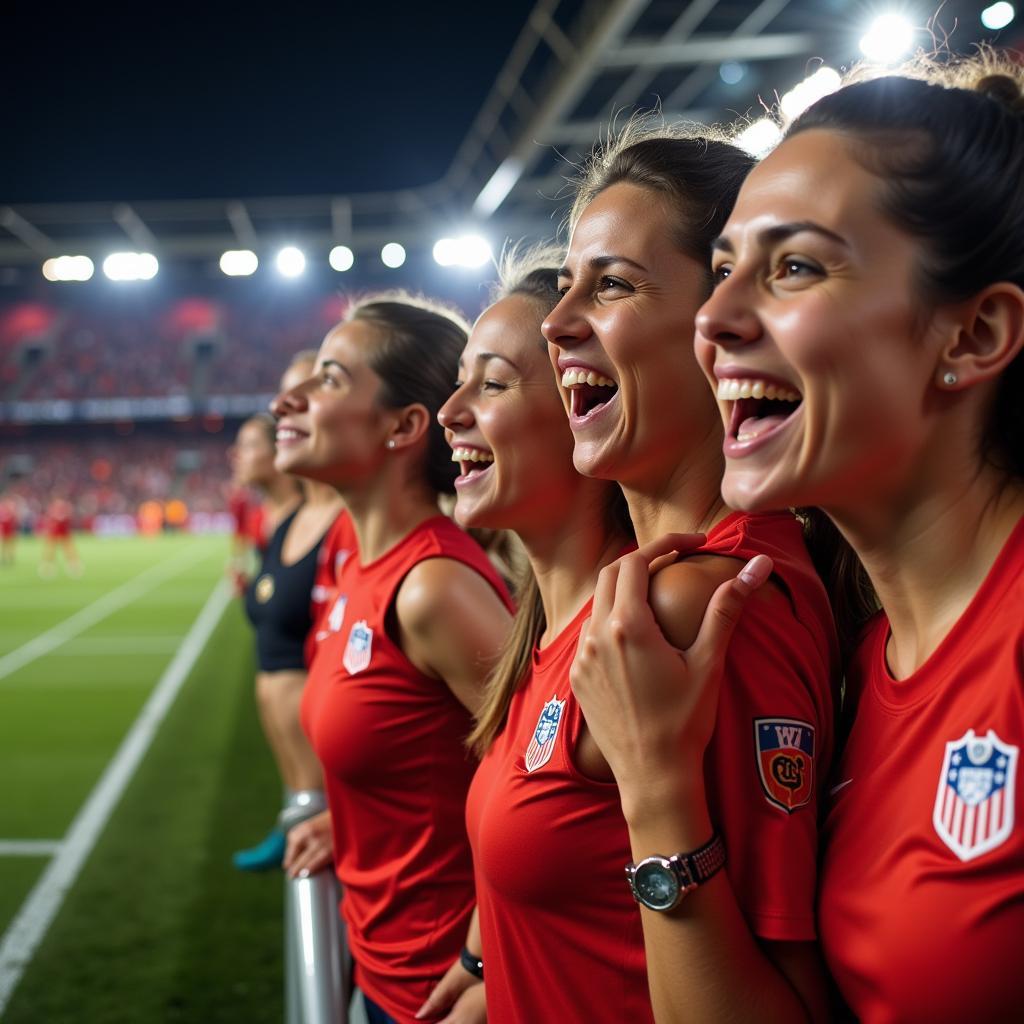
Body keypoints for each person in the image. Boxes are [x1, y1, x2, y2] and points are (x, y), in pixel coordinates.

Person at [684, 53, 1024, 1022]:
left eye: (793, 265)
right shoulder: (864, 654)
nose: (712, 317)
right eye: (721, 270)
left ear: (972, 335)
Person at [541, 124, 840, 1021]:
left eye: (614, 286)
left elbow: (781, 990)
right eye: (565, 289)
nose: (555, 325)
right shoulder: (648, 582)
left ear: (716, 324)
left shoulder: (702, 601)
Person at [274, 294, 514, 1024]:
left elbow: (563, 789)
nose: (291, 396)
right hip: (383, 970)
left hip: (445, 993)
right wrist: (350, 824)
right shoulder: (360, 565)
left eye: (331, 379)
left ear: (406, 426)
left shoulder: (434, 587)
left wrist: (482, 962)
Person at [422, 249, 633, 1022]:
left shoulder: (644, 631)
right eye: (458, 382)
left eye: (495, 383)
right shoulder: (542, 634)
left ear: (587, 402)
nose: (452, 413)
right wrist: (484, 964)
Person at [234, 353, 345, 871]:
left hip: (338, 781)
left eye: (311, 388)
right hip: (311, 791)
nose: (282, 408)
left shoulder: (353, 526)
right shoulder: (289, 523)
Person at [38, 496, 80, 578]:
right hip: (54, 533)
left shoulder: (66, 510)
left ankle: (73, 566)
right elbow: (51, 520)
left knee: (70, 551)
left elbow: (67, 518)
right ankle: (47, 567)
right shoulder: (53, 510)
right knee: (50, 551)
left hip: (64, 534)